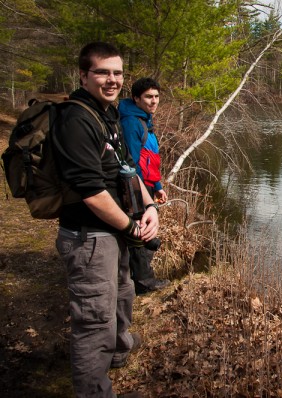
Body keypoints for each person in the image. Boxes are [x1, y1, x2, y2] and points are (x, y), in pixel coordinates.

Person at [52, 42, 159, 398]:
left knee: (123, 293)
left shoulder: (107, 113)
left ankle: (119, 348)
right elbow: (91, 191)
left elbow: (128, 169)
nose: (111, 80)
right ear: (84, 75)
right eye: (102, 72)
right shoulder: (75, 119)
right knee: (93, 320)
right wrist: (130, 227)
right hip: (89, 237)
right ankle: (95, 391)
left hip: (114, 231)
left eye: (117, 73)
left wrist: (149, 208)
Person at [118, 77, 170, 295]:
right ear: (136, 98)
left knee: (144, 230)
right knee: (143, 232)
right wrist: (139, 194)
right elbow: (130, 162)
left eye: (156, 96)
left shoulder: (143, 118)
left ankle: (135, 276)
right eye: (148, 97)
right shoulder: (131, 122)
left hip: (147, 184)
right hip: (135, 187)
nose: (154, 101)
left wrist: (157, 185)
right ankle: (143, 283)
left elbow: (148, 159)